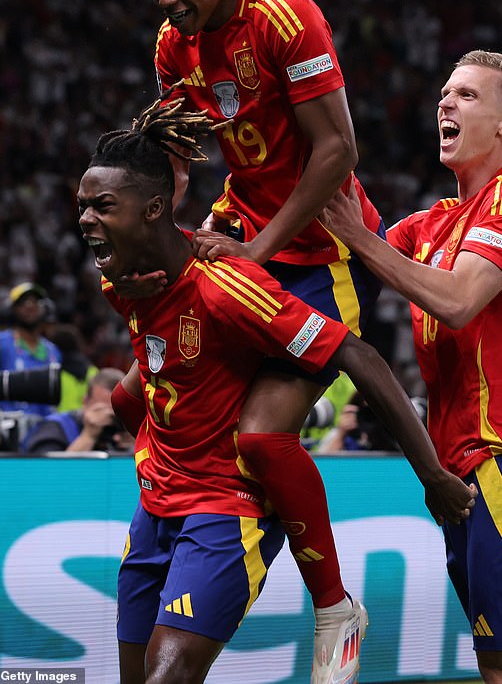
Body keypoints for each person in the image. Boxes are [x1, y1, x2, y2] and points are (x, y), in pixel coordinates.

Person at [77, 97, 476, 684]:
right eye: (83, 206)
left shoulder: (227, 288)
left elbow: (362, 358)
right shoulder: (123, 278)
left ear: (154, 209)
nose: (85, 219)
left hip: (222, 512)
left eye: (102, 207)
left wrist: (434, 475)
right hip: (155, 505)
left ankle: (335, 608)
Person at [125, 0, 388, 680]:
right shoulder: (176, 42)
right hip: (238, 231)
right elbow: (175, 154)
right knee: (139, 395)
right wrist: (157, 234)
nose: (168, 1)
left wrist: (260, 250)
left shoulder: (285, 15)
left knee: (260, 437)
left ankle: (337, 608)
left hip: (320, 252)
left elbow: (337, 149)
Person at [323, 50, 502, 684]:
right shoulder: (431, 222)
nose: (445, 104)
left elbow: (458, 301)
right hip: (458, 473)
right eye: (444, 94)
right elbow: (344, 227)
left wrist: (363, 239)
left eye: (465, 95)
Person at [0, 282, 62, 418]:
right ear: (11, 310)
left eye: (35, 301)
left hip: (44, 431)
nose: (30, 306)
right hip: (7, 429)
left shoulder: (53, 352)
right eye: (22, 303)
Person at [24, 367, 132, 455]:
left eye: (116, 413)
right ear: (85, 402)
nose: (109, 418)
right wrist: (88, 436)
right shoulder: (56, 427)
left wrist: (135, 445)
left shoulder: (125, 432)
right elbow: (47, 473)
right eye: (102, 410)